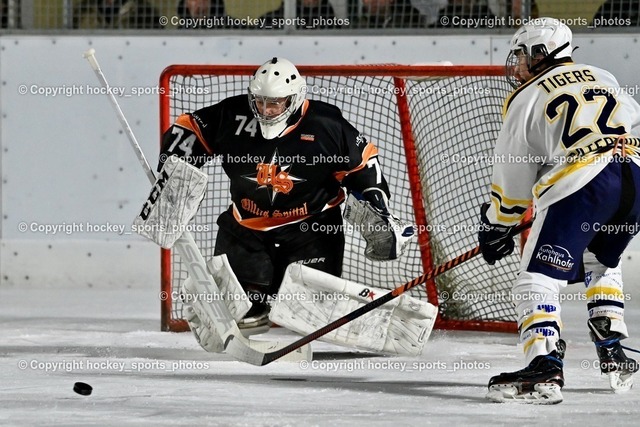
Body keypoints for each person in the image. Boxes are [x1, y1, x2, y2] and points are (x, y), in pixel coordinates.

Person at [157, 57, 414, 330]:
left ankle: (310, 306)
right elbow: (192, 127)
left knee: (309, 315)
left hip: (312, 231)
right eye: (260, 102)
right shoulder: (232, 116)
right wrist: (173, 166)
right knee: (235, 311)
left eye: (274, 103)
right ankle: (252, 300)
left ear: (293, 99)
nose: (266, 110)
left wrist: (377, 205)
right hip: (246, 228)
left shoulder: (326, 125)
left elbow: (363, 166)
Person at [478, 17, 640, 404]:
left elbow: (513, 169)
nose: (516, 64)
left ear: (540, 53)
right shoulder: (603, 75)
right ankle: (613, 348)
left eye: (521, 54)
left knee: (536, 279)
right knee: (599, 258)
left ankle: (544, 367)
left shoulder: (528, 95)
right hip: (635, 174)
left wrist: (498, 223)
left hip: (586, 180)